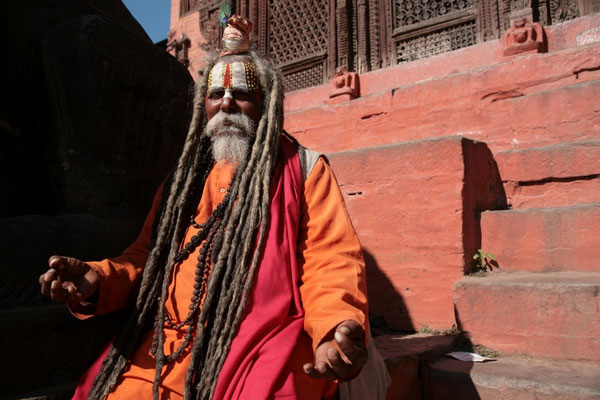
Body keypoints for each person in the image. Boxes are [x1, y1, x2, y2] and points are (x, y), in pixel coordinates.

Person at [39, 15, 388, 400]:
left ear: (264, 103)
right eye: (215, 94)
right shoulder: (182, 183)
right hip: (166, 345)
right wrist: (98, 280)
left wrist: (333, 329)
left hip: (260, 342)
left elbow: (331, 261)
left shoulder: (304, 170)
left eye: (241, 93)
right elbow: (145, 259)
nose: (226, 103)